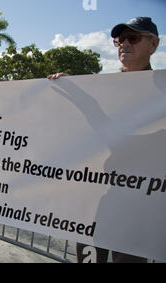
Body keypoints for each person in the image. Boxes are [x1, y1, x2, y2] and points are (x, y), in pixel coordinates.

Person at [48, 17, 159, 263]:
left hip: (141, 206)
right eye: (120, 40)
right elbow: (92, 118)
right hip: (99, 198)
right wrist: (70, 87)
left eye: (133, 38)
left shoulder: (161, 93)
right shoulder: (104, 89)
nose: (124, 45)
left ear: (153, 45)